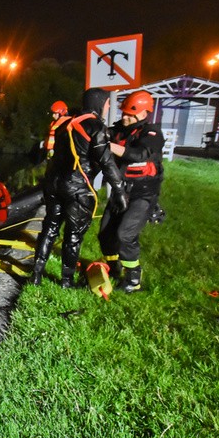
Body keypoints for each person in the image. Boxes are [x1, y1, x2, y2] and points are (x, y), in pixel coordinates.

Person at [30, 88, 129, 288]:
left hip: (54, 185)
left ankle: (36, 274)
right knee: (73, 236)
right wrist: (119, 190)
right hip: (77, 189)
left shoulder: (63, 125)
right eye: (107, 105)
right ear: (100, 104)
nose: (108, 108)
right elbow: (107, 162)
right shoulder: (95, 127)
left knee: (49, 229)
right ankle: (66, 281)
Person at [98, 90, 165, 293]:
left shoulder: (152, 134)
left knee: (125, 235)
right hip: (121, 190)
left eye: (129, 114)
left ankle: (133, 279)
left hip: (143, 193)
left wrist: (108, 146)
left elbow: (139, 154)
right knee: (105, 233)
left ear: (144, 113)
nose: (124, 117)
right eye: (123, 113)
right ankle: (113, 268)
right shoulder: (119, 130)